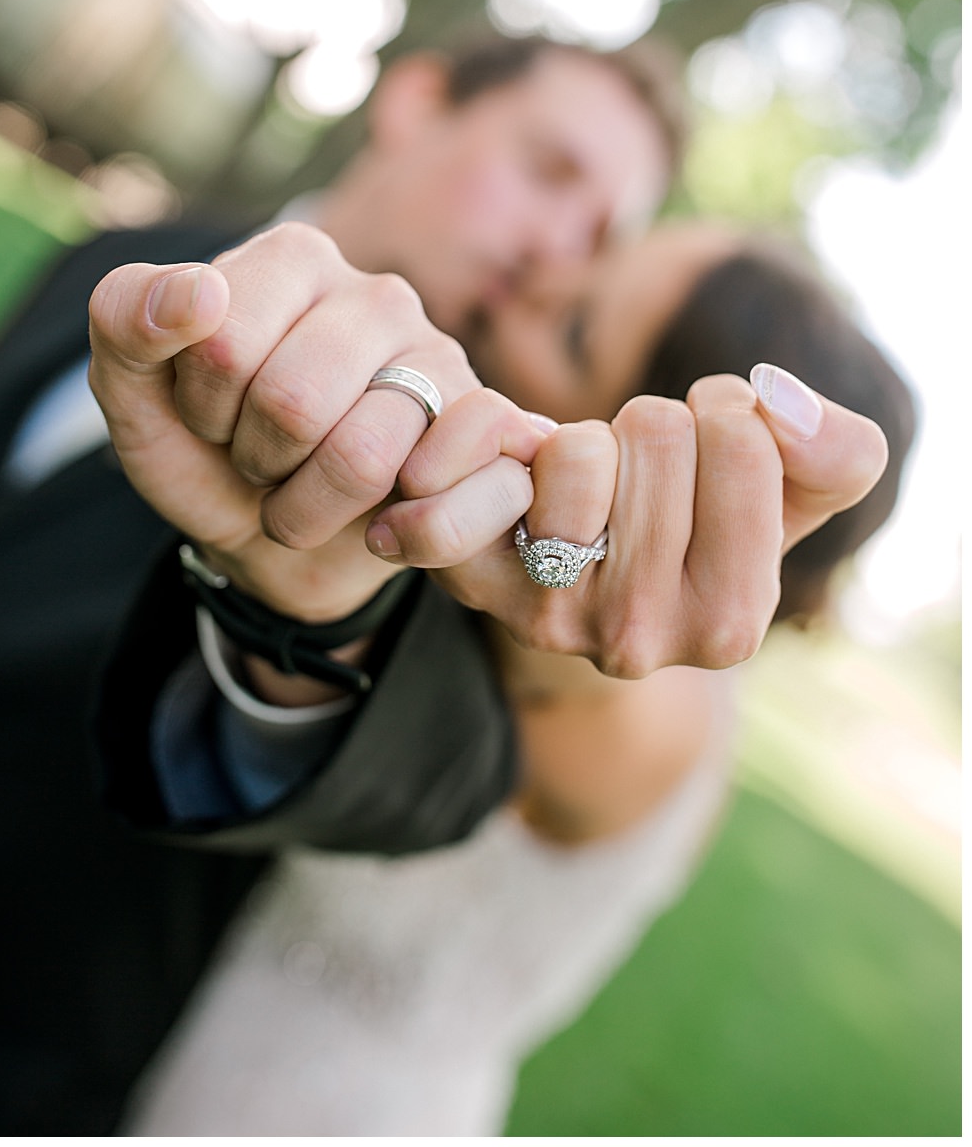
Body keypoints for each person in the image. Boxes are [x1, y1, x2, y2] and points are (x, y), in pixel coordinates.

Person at [0, 33, 886, 1132]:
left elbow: (492, 704)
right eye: (548, 172)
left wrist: (307, 604)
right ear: (414, 100)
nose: (548, 262)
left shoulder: (432, 516)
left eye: (595, 257)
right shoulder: (131, 251)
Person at [121, 223, 912, 1134]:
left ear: (642, 485)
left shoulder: (661, 712)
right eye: (596, 250)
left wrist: (576, 605)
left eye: (575, 327)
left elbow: (576, 672)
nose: (538, 267)